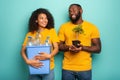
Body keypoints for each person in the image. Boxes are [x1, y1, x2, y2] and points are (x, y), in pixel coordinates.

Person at [58, 4, 101, 80]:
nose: (71, 13)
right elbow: (58, 46)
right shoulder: (63, 27)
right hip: (67, 68)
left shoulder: (92, 27)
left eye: (74, 10)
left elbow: (98, 48)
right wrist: (69, 47)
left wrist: (82, 47)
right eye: (70, 11)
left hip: (85, 68)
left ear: (81, 11)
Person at [21, 8, 59, 80]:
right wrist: (27, 61)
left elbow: (56, 48)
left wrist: (49, 55)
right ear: (36, 20)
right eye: (41, 18)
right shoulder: (30, 34)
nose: (45, 20)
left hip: (48, 69)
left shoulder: (51, 31)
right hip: (33, 67)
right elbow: (22, 51)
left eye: (46, 18)